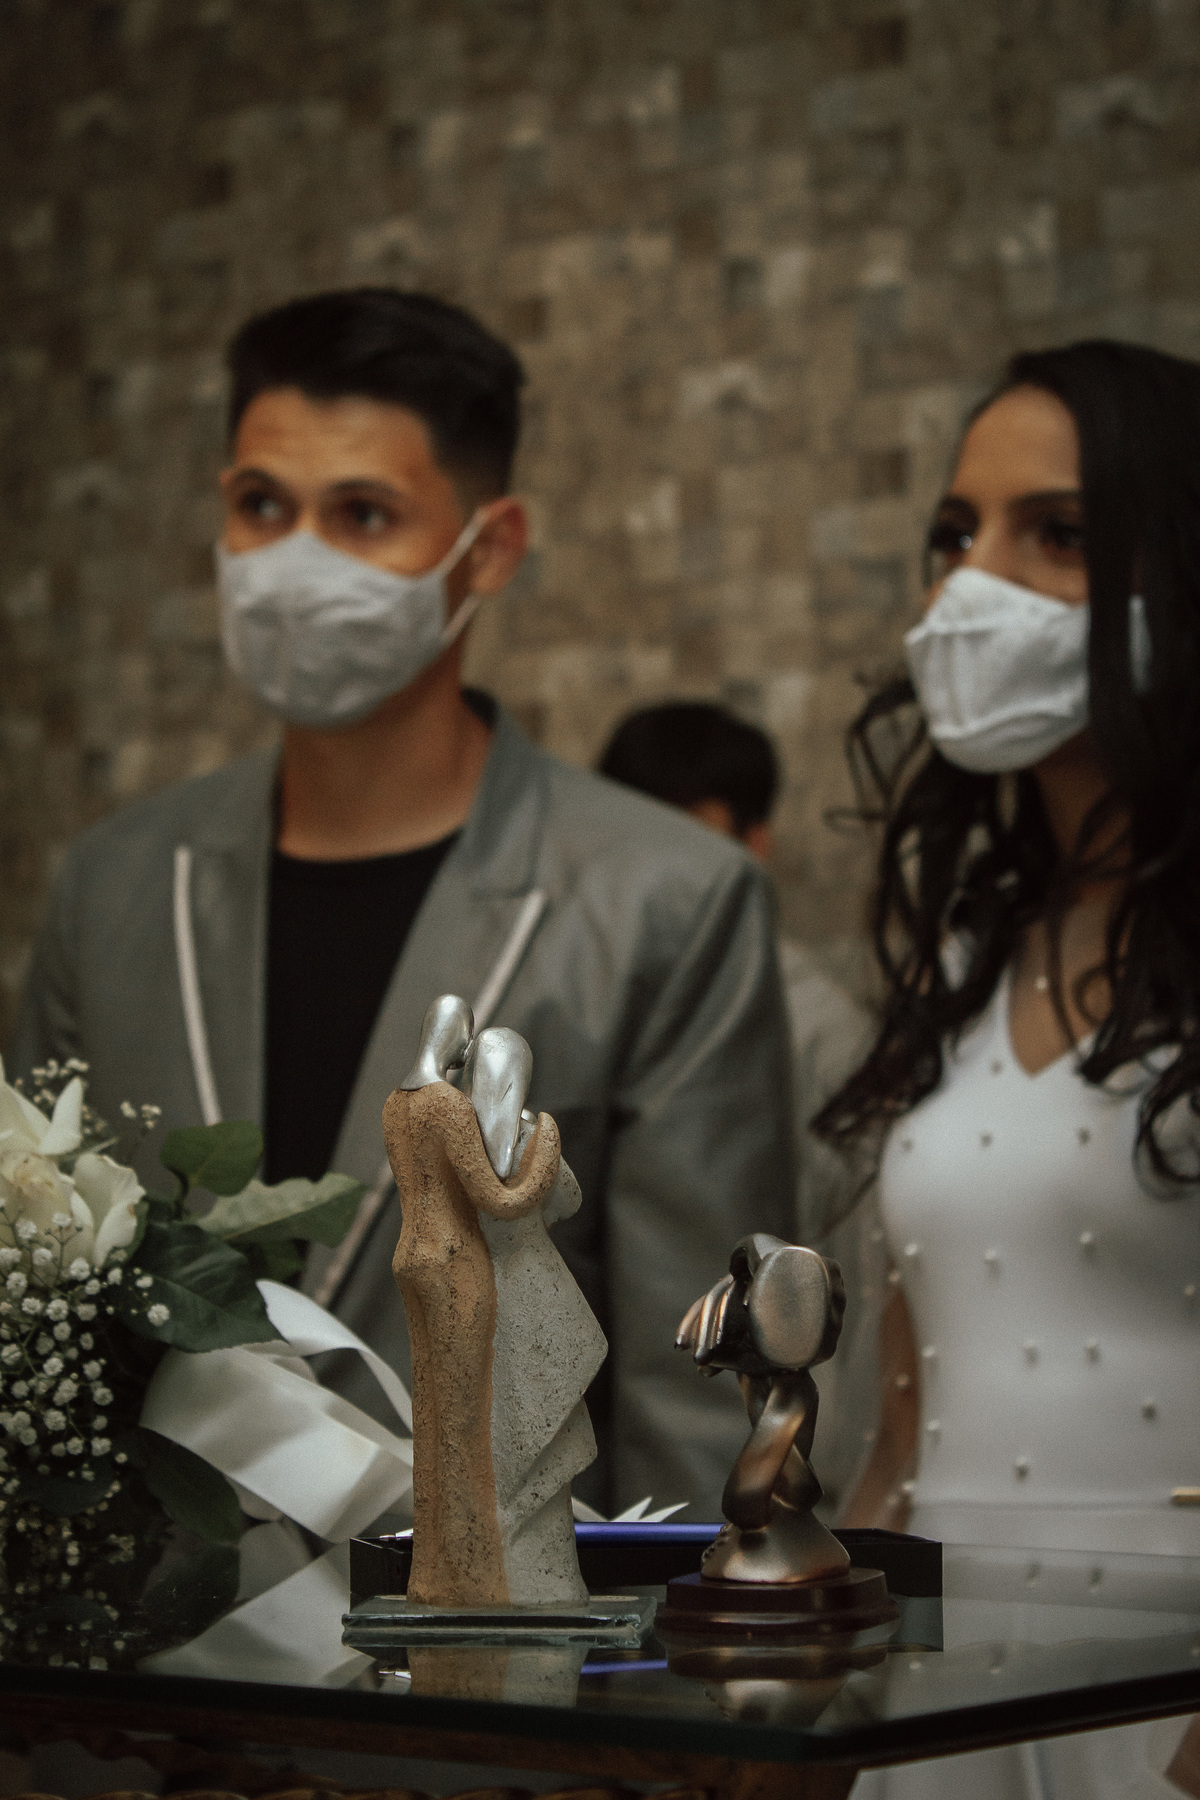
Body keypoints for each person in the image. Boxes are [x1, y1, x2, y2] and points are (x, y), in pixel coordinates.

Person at [12, 287, 795, 1518]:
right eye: (261, 506)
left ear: (488, 548)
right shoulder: (114, 884)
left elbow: (694, 1397)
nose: (294, 563)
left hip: (498, 1617)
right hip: (135, 1622)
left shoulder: (667, 902)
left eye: (362, 514)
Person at [813, 341, 1200, 1798]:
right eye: (955, 534)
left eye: (1059, 534)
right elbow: (907, 1426)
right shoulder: (967, 960)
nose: (972, 584)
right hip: (939, 1705)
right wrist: (820, 1698)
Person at [598, 701, 881, 1513]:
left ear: (756, 843)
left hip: (762, 1461)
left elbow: (851, 1287)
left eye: (689, 841)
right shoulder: (585, 1013)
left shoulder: (828, 1038)